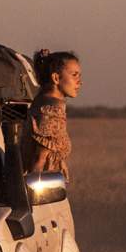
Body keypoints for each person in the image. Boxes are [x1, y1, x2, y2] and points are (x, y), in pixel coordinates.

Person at [22, 49, 81, 181]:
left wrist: (60, 161)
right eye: (74, 75)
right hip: (43, 189)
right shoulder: (51, 111)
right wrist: (35, 196)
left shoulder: (43, 101)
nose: (79, 82)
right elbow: (38, 161)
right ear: (55, 78)